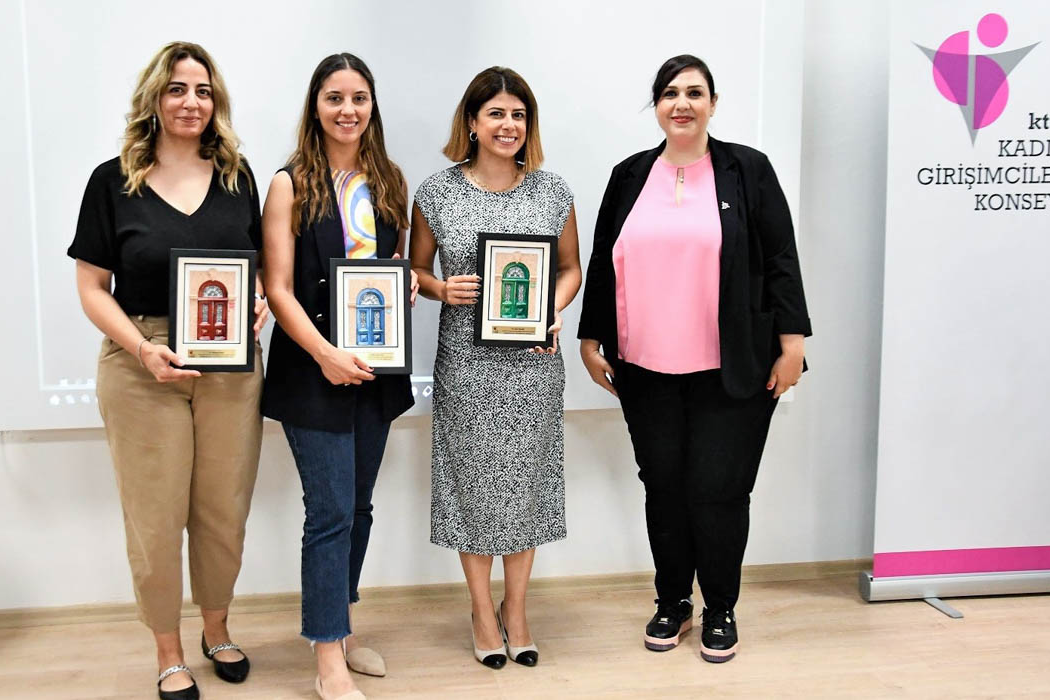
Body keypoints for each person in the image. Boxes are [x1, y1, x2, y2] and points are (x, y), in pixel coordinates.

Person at [577, 54, 811, 664]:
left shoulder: (747, 170)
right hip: (644, 369)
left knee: (720, 492)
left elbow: (781, 259)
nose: (681, 104)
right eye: (670, 93)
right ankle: (673, 601)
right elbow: (603, 261)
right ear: (656, 105)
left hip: (731, 368)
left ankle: (721, 607)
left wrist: (793, 343)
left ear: (712, 103)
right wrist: (590, 339)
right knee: (664, 489)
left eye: (694, 92)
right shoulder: (629, 175)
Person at [68, 41, 266, 700]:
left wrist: (258, 300)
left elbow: (257, 268)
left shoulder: (238, 176)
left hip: (228, 365)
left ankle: (217, 628)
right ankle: (168, 650)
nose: (191, 102)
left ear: (216, 102)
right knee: (155, 519)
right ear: (154, 98)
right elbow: (92, 288)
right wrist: (141, 348)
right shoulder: (112, 181)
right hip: (141, 360)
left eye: (203, 90)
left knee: (223, 509)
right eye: (177, 89)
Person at [409, 66, 582, 670]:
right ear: (473, 122)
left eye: (519, 115)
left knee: (526, 489)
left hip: (533, 366)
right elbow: (416, 269)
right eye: (497, 114)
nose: (508, 125)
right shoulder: (436, 192)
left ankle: (518, 610)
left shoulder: (553, 192)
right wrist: (441, 288)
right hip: (466, 365)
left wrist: (551, 310)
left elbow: (570, 270)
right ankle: (482, 611)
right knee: (474, 491)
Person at [260, 53, 416, 700]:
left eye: (358, 98)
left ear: (371, 105)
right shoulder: (289, 183)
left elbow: (389, 267)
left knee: (359, 508)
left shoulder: (389, 181)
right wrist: (325, 352)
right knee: (329, 514)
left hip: (375, 372)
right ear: (315, 105)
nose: (347, 110)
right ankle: (327, 659)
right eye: (334, 98)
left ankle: (342, 631)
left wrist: (405, 284)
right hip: (311, 371)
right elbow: (278, 287)